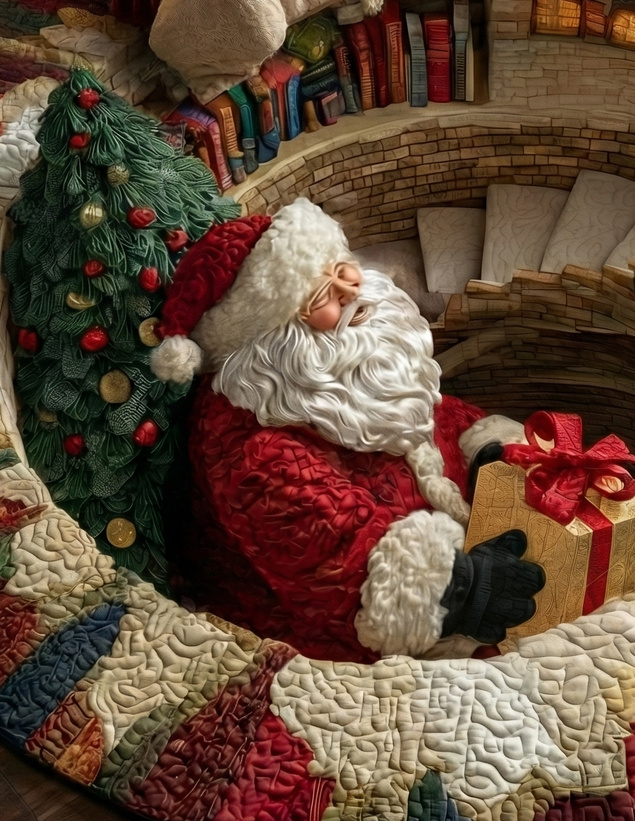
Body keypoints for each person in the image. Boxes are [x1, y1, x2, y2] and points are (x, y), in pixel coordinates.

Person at [150, 198, 543, 661]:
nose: (351, 289)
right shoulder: (253, 453)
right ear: (274, 343)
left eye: (342, 267)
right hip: (346, 631)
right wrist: (460, 589)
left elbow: (426, 414)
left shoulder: (343, 370)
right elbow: (338, 559)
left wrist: (485, 446)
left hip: (449, 535)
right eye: (322, 297)